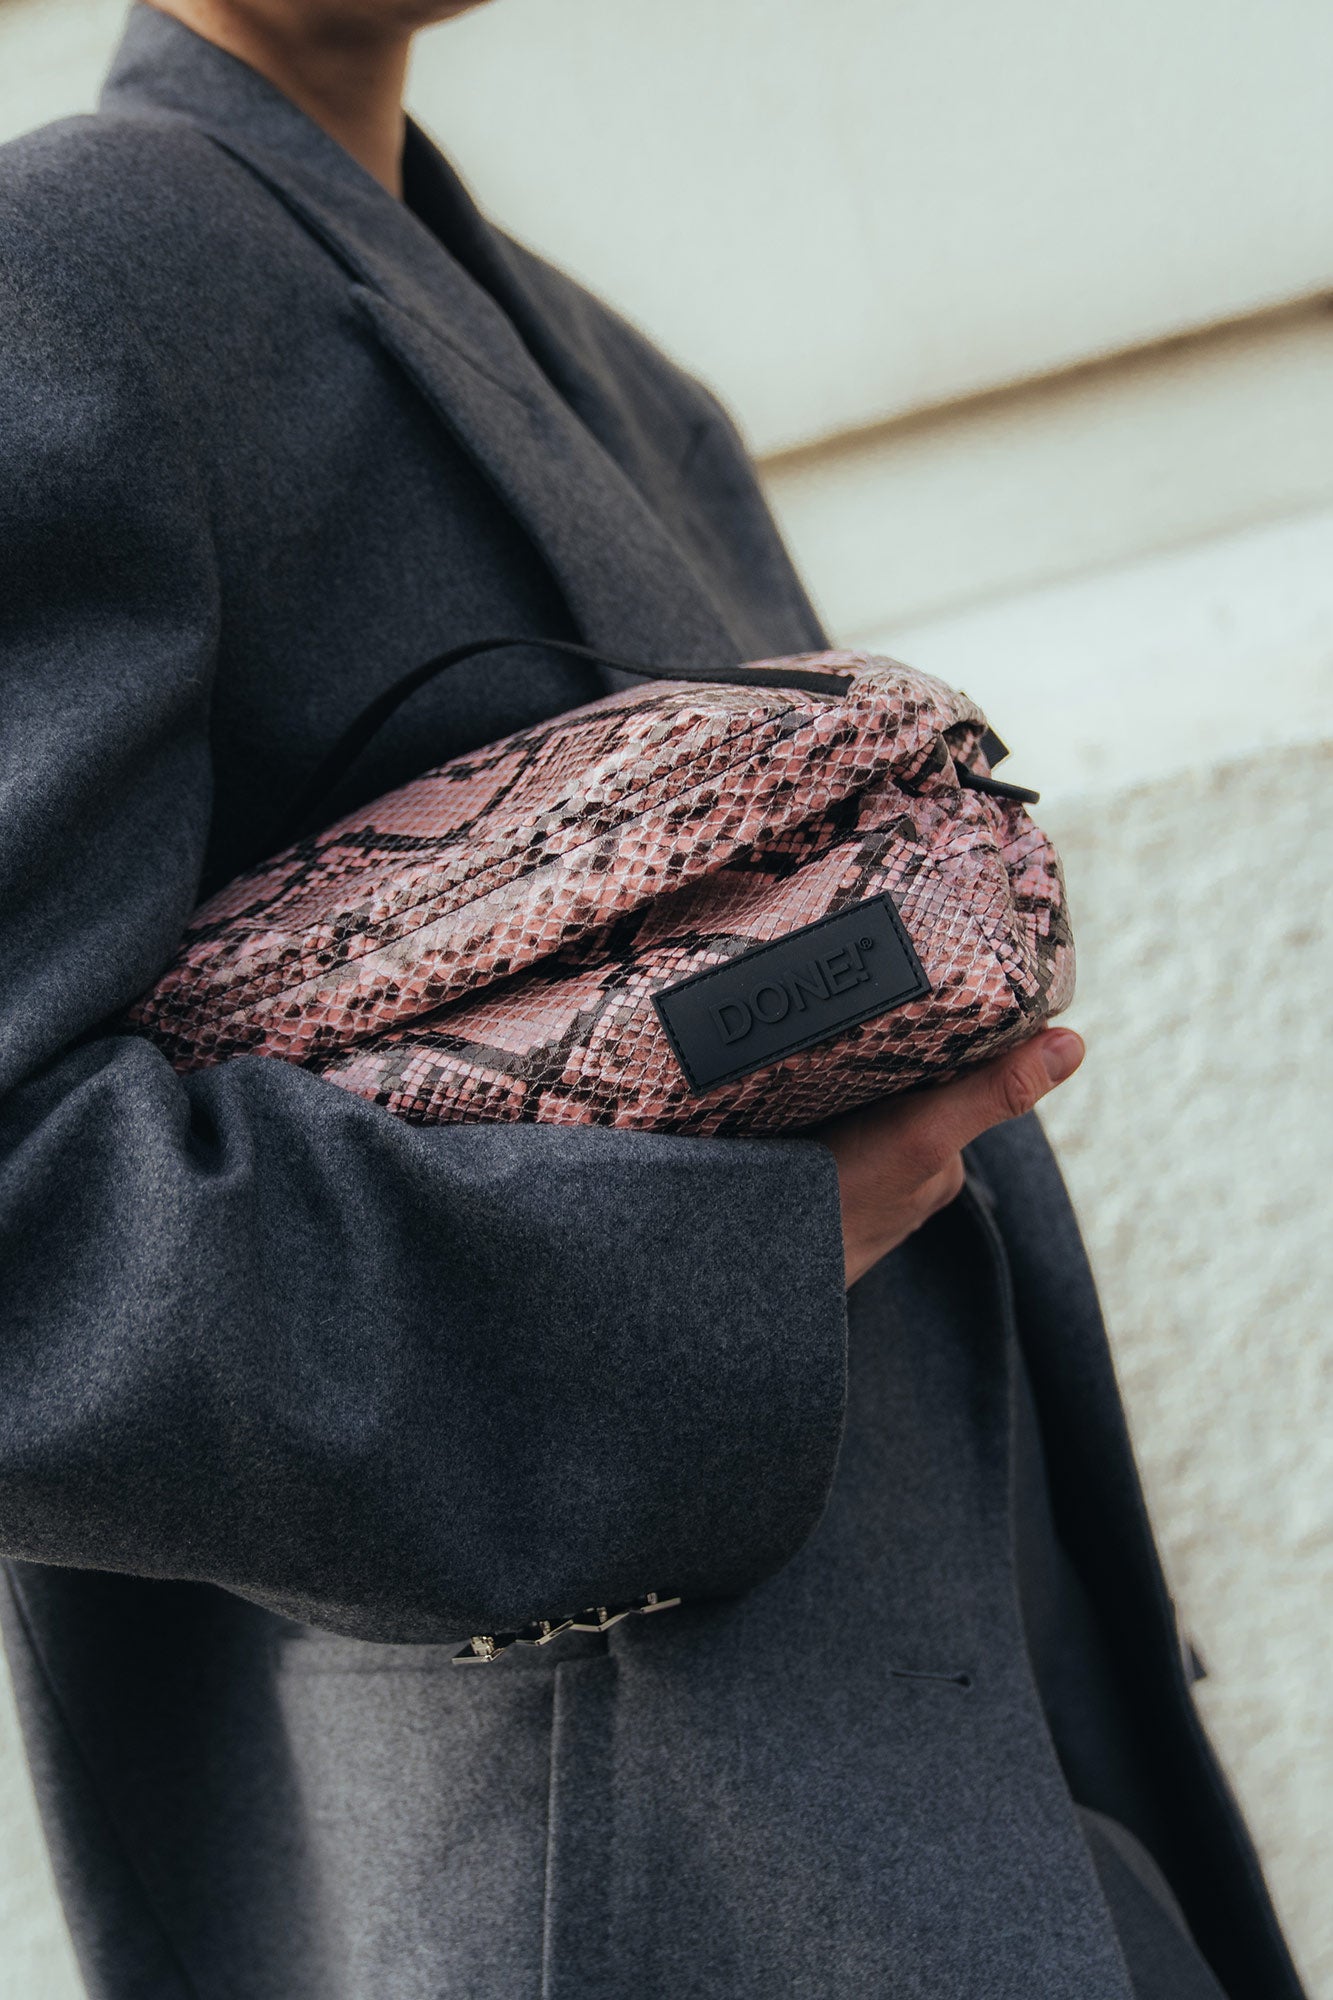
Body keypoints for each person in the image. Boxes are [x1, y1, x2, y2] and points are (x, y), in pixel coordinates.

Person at [0, 3, 1305, 1996]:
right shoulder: (63, 277)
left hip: (1000, 1794)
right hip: (578, 1871)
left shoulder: (621, 375)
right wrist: (714, 1277)